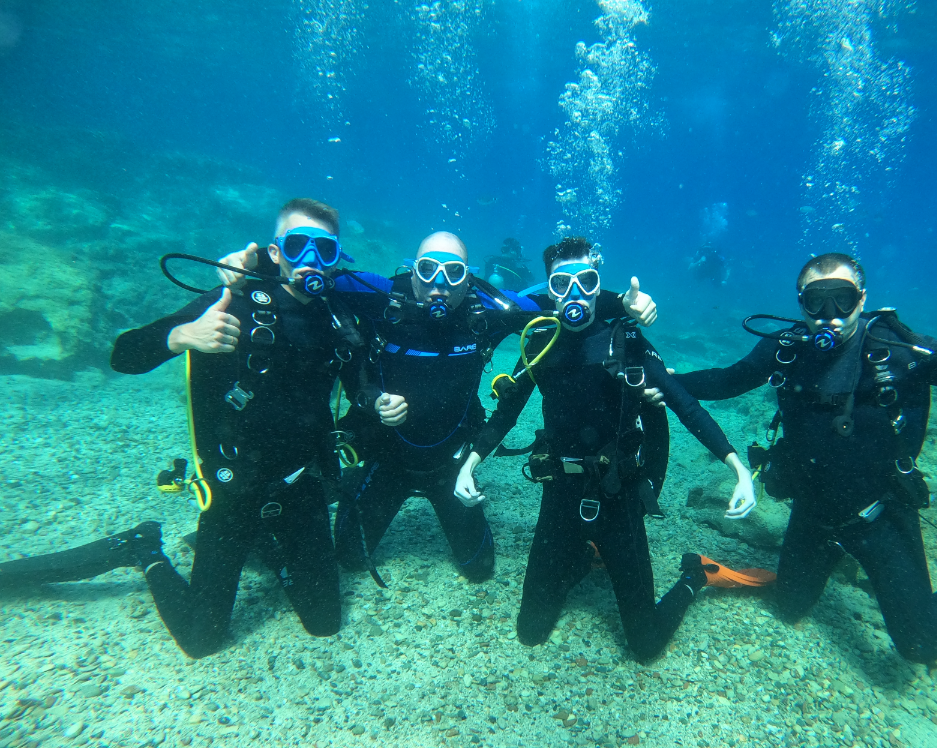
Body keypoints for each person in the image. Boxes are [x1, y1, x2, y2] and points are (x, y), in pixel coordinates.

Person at [0, 198, 364, 659]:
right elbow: (124, 354)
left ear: (337, 258)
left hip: (302, 486)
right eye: (297, 244)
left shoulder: (340, 315)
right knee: (200, 639)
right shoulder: (235, 300)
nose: (310, 259)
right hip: (234, 489)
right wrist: (181, 337)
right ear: (276, 252)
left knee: (326, 624)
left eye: (324, 250)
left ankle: (270, 546)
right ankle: (142, 548)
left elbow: (395, 304)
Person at [670, 252, 937, 663]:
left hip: (881, 513)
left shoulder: (900, 349)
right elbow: (725, 380)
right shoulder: (786, 350)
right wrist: (668, 383)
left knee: (920, 644)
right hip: (814, 510)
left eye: (843, 300)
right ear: (801, 304)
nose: (829, 314)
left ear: (862, 300)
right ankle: (833, 553)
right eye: (817, 301)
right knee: (789, 607)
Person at [216, 231, 657, 587]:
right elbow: (316, 277)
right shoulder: (382, 295)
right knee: (348, 558)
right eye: (428, 270)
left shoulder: (485, 308)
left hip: (450, 462)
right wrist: (256, 266)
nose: (439, 284)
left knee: (480, 569)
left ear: (469, 278)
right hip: (387, 457)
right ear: (413, 270)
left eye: (453, 271)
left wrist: (622, 302)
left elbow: (566, 301)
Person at [454, 236, 757, 661]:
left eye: (587, 280)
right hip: (559, 491)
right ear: (549, 289)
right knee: (530, 632)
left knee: (646, 645)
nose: (575, 293)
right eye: (562, 283)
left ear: (599, 285)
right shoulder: (539, 341)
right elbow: (505, 413)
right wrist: (470, 463)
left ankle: (695, 577)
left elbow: (684, 403)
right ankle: (579, 559)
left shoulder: (627, 340)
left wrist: (737, 468)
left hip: (618, 495)